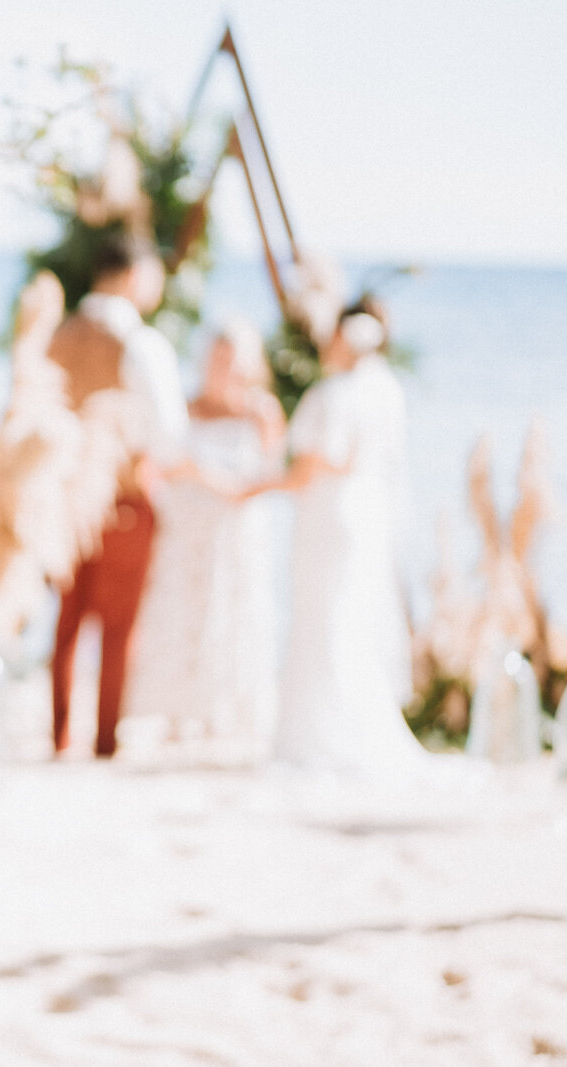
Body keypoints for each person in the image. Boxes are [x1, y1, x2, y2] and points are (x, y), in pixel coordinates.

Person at [243, 301, 426, 777]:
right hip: (365, 520)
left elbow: (319, 464)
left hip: (329, 520)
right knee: (350, 619)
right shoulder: (388, 390)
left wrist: (254, 486)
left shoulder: (334, 394)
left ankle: (317, 734)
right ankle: (348, 725)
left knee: (323, 618)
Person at [46, 232, 187, 758]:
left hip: (62, 497)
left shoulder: (58, 335)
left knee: (67, 622)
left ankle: (59, 736)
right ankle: (105, 742)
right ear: (134, 275)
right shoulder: (142, 344)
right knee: (119, 627)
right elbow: (169, 435)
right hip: (124, 494)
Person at [122, 319, 284, 757]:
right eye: (218, 358)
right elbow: (163, 464)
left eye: (233, 360)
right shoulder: (186, 407)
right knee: (183, 612)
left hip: (238, 531)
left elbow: (276, 473)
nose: (224, 368)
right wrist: (202, 480)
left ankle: (228, 711)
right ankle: (178, 711)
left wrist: (234, 490)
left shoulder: (262, 411)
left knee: (234, 613)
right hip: (189, 528)